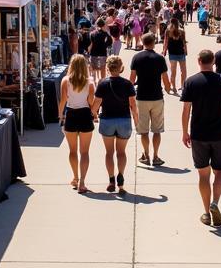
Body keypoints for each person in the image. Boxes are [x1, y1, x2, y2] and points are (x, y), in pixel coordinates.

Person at [181, 48, 221, 227]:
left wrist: (184, 132)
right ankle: (215, 202)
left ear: (198, 61)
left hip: (199, 134)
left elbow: (186, 110)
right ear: (213, 62)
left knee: (203, 175)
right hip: (220, 133)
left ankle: (206, 212)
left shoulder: (190, 82)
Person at [92, 55, 138, 194]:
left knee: (109, 152)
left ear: (108, 67)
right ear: (121, 68)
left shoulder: (103, 84)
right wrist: (136, 119)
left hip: (107, 120)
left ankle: (111, 179)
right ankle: (121, 177)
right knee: (121, 152)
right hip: (124, 120)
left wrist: (94, 115)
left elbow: (95, 106)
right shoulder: (127, 84)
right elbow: (133, 105)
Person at [130, 33, 172, 167]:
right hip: (157, 97)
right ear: (154, 42)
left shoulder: (136, 57)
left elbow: (132, 79)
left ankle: (146, 155)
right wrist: (168, 88)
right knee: (157, 130)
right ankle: (156, 156)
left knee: (143, 131)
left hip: (141, 97)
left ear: (142, 42)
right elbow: (165, 79)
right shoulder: (160, 58)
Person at [61, 54, 96, 194]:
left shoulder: (65, 80)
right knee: (85, 152)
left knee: (72, 151)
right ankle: (82, 181)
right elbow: (91, 102)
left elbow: (63, 100)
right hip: (85, 115)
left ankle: (75, 177)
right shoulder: (90, 82)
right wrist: (94, 114)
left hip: (71, 114)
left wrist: (60, 115)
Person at [161, 17, 188, 93]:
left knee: (173, 71)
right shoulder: (182, 31)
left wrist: (164, 50)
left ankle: (174, 87)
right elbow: (184, 42)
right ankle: (182, 86)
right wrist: (186, 50)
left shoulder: (168, 31)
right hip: (181, 52)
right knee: (183, 71)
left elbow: (165, 42)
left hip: (172, 53)